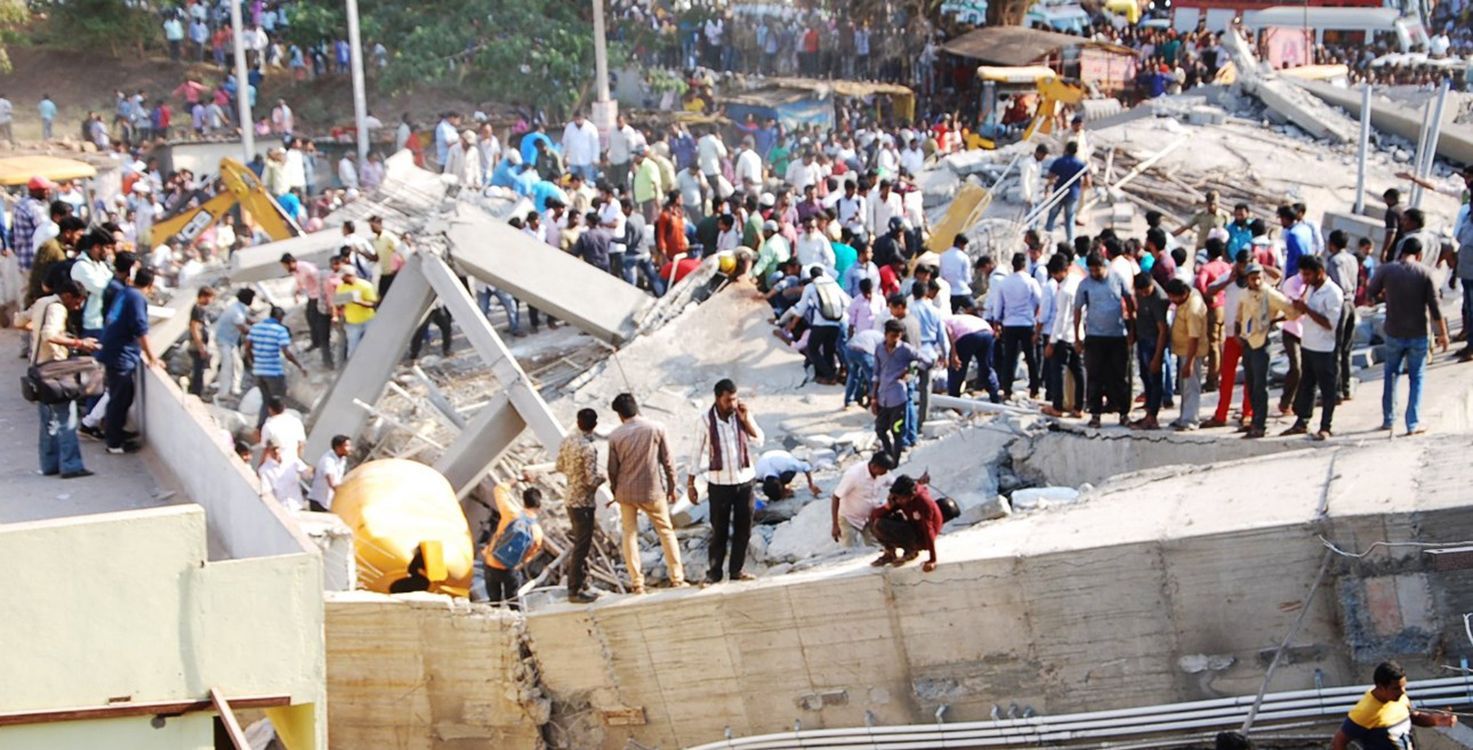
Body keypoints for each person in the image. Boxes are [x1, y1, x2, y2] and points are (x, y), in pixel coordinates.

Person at [1366, 238, 1449, 436]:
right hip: (1418, 333)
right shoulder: (1425, 273)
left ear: (1401, 251)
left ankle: (1388, 419)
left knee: (1391, 375)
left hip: (1394, 331)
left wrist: (1387, 295)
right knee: (1417, 377)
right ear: (1419, 255)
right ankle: (1412, 423)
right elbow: (1435, 308)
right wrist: (1443, 334)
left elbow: (1371, 293)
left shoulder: (1386, 270)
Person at [606, 393, 687, 594]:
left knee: (629, 534)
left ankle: (637, 583)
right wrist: (671, 486)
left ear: (619, 415)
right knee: (666, 531)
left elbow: (612, 469)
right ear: (636, 406)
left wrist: (615, 491)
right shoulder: (656, 428)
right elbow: (668, 461)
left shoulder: (615, 436)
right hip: (652, 491)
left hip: (626, 493)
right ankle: (677, 578)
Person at [688, 379, 765, 584]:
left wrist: (746, 419)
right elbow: (695, 452)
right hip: (719, 484)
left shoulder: (741, 415)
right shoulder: (704, 421)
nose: (732, 404)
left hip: (745, 481)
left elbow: (759, 440)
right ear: (717, 399)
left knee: (744, 529)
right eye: (728, 400)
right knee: (719, 531)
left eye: (734, 399)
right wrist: (691, 483)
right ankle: (714, 573)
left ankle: (737, 570)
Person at [30, 279, 97, 479]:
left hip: (37, 368)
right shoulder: (58, 309)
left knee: (47, 421)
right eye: (77, 302)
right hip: (55, 370)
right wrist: (78, 342)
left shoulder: (42, 302)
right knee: (66, 418)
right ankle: (71, 465)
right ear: (68, 296)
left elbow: (20, 321)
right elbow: (49, 334)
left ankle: (49, 465)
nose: (77, 307)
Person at [1282, 256, 1343, 441]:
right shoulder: (1310, 288)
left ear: (1320, 272)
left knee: (1327, 389)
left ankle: (1326, 425)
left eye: (1308, 274)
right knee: (1307, 385)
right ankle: (1302, 421)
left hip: (1324, 347)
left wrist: (1307, 309)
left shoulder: (1333, 293)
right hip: (1308, 342)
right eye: (1303, 274)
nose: (1305, 278)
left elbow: (1329, 323)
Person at [1330, 661, 1456, 750]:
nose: (1402, 692)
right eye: (1396, 688)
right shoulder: (1364, 711)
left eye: (1403, 686)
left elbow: (1413, 717)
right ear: (1380, 687)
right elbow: (1338, 742)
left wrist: (1435, 720)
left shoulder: (1399, 697)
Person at [99, 267, 159, 454]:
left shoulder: (125, 292)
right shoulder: (137, 298)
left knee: (123, 395)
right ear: (150, 285)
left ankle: (116, 433)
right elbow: (141, 329)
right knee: (120, 397)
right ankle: (114, 443)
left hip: (113, 349)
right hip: (120, 354)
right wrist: (152, 357)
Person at [1073, 253, 1135, 428]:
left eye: (1097, 269)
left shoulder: (1117, 279)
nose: (1095, 273)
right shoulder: (1085, 284)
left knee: (1120, 376)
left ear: (1104, 266)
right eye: (1091, 270)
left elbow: (1129, 301)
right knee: (1095, 376)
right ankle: (1095, 414)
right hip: (1094, 337)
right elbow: (1077, 310)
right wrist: (1078, 337)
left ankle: (1124, 413)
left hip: (1117, 336)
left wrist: (1132, 329)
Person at [1234, 265, 1295, 439]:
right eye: (1253, 278)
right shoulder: (1244, 294)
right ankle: (1254, 420)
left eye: (1259, 277)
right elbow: (1239, 316)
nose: (1257, 281)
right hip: (1247, 341)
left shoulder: (1270, 294)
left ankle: (1260, 424)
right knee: (1251, 384)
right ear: (1247, 279)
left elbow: (1291, 310)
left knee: (1261, 385)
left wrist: (1276, 320)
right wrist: (1238, 333)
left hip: (1262, 341)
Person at [553, 408, 606, 603]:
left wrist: (573, 474)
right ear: (594, 425)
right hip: (584, 502)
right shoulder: (588, 448)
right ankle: (574, 589)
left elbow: (559, 466)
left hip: (570, 499)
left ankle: (582, 583)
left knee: (580, 543)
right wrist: (604, 478)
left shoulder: (568, 441)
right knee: (582, 547)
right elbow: (592, 480)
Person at [987, 252, 1043, 401]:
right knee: (1031, 358)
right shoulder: (1031, 281)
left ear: (1012, 265)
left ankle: (1007, 390)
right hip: (1027, 323)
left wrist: (997, 321)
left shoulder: (1005, 282)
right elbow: (1039, 300)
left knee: (1009, 358)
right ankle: (1034, 389)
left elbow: (999, 305)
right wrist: (1035, 315)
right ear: (1024, 264)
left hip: (1010, 324)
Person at [872, 318, 927, 461]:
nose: (895, 339)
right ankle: (888, 454)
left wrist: (911, 371)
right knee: (880, 429)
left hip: (898, 397)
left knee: (897, 431)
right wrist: (873, 397)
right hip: (883, 396)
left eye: (898, 336)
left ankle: (894, 460)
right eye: (892, 336)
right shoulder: (879, 349)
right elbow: (876, 374)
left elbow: (927, 360)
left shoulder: (905, 349)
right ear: (886, 334)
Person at [482, 485, 545, 607]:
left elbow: (498, 489)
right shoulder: (537, 531)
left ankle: (493, 620)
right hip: (510, 569)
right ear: (539, 507)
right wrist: (518, 564)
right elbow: (531, 553)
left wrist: (517, 480)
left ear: (524, 501)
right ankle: (516, 621)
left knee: (494, 601)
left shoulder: (511, 514)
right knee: (513, 602)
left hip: (492, 562)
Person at [867, 474, 941, 573]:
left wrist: (932, 559)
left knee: (881, 524)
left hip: (923, 536)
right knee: (875, 522)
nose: (899, 501)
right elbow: (874, 515)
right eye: (897, 498)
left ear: (912, 494)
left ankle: (912, 550)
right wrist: (889, 506)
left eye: (901, 498)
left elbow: (928, 528)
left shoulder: (923, 501)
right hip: (913, 527)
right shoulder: (900, 500)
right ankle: (890, 552)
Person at [788, 266, 849, 384]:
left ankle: (830, 376)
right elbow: (846, 302)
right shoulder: (833, 284)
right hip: (835, 322)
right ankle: (828, 375)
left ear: (812, 277)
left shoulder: (811, 287)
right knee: (829, 349)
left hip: (820, 323)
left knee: (812, 349)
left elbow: (801, 308)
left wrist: (793, 323)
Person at [248, 306, 305, 429]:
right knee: (279, 401)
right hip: (273, 372)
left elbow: (248, 347)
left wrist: (254, 362)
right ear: (280, 317)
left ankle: (261, 427)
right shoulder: (280, 330)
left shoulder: (256, 328)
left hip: (258, 371)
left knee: (266, 401)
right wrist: (299, 365)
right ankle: (278, 428)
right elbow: (287, 353)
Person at [1043, 253, 1084, 418]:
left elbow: (1061, 317)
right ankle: (1079, 407)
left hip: (1064, 337)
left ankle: (1057, 406)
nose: (1055, 277)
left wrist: (1052, 343)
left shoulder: (1065, 290)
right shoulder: (1077, 282)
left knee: (1057, 371)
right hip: (1078, 335)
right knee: (1079, 372)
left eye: (1055, 273)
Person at [830, 452, 896, 548]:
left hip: (869, 518)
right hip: (849, 518)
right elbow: (836, 497)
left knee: (877, 547)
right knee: (849, 549)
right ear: (874, 466)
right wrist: (835, 525)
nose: (885, 473)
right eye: (884, 470)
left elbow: (896, 484)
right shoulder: (854, 475)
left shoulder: (883, 473)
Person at [1164, 279, 1206, 430]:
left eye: (1173, 297)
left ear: (1183, 294)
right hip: (1183, 350)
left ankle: (1190, 420)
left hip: (1191, 352)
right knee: (1184, 386)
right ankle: (1184, 416)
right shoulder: (1185, 299)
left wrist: (1189, 363)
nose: (1171, 300)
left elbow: (1193, 338)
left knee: (1191, 386)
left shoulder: (1193, 309)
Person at [1324, 230, 1360, 401]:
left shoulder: (1334, 261)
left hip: (1340, 305)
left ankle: (1336, 390)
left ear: (1332, 244)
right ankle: (1346, 387)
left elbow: (1338, 285)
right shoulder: (1352, 259)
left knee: (1335, 349)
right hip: (1351, 303)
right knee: (1346, 349)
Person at [1131, 273, 1169, 430]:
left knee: (1155, 378)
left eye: (1146, 292)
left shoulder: (1159, 299)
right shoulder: (1140, 293)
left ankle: (1153, 416)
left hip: (1154, 341)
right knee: (1145, 376)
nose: (1143, 295)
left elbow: (1163, 330)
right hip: (1143, 338)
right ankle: (1148, 410)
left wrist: (1157, 357)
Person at [945, 301, 1000, 402]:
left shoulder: (944, 321)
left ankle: (953, 398)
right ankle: (994, 394)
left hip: (967, 335)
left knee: (958, 366)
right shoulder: (960, 318)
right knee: (986, 366)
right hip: (986, 331)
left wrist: (954, 354)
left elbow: (949, 335)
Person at [1044, 141, 1090, 243]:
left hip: (1059, 192)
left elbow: (1050, 176)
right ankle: (1070, 241)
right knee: (1069, 219)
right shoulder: (1080, 164)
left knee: (1052, 216)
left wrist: (1050, 185)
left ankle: (1047, 240)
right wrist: (1080, 187)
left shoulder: (1059, 161)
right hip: (1073, 194)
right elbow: (1088, 182)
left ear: (1066, 149)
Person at [214, 288, 254, 399]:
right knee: (227, 366)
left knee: (238, 365)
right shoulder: (236, 312)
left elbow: (247, 319)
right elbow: (243, 329)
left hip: (230, 342)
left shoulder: (239, 307)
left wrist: (258, 323)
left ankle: (235, 388)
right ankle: (223, 393)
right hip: (224, 341)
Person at [257, 437, 311, 511]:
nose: (276, 451)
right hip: (281, 508)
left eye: (277, 448)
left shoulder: (292, 460)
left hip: (297, 505)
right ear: (268, 451)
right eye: (272, 449)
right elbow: (266, 491)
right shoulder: (264, 470)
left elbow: (307, 474)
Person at [337, 267, 378, 357]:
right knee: (352, 348)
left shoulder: (365, 286)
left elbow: (372, 304)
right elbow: (338, 304)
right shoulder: (341, 287)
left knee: (372, 345)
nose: (343, 279)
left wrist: (358, 301)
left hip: (368, 320)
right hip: (352, 322)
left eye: (345, 277)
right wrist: (340, 305)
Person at [754, 449, 819, 504]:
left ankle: (782, 490)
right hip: (765, 461)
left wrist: (811, 485)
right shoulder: (757, 474)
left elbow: (806, 467)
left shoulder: (788, 464)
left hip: (781, 456)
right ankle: (778, 492)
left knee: (787, 476)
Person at [308, 435, 351, 513]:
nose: (350, 449)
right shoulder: (328, 461)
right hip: (319, 502)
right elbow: (332, 483)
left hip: (328, 503)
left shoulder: (342, 459)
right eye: (347, 446)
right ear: (338, 448)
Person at [187, 286, 215, 397]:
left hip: (200, 344)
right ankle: (196, 393)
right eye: (209, 298)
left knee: (200, 370)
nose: (210, 301)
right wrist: (201, 346)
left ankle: (196, 391)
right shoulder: (198, 309)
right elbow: (195, 328)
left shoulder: (200, 309)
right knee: (198, 371)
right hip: (198, 345)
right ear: (203, 296)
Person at [259, 397, 306, 462]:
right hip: (291, 464)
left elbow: (266, 450)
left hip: (274, 464)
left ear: (270, 409)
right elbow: (301, 445)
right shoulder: (296, 422)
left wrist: (260, 467)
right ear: (284, 408)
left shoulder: (269, 426)